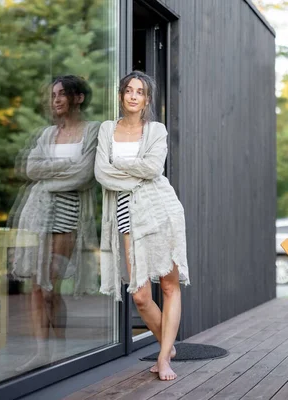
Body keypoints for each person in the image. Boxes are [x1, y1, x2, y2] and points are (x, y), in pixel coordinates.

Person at [94, 71, 190, 381]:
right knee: (140, 295)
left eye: (140, 92)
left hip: (161, 210)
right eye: (128, 90)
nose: (134, 96)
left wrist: (118, 165)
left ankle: (164, 356)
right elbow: (101, 174)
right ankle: (169, 345)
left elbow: (154, 168)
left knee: (169, 286)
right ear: (121, 95)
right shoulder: (107, 129)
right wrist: (133, 170)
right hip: (125, 213)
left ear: (147, 99)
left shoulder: (156, 130)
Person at [9, 75, 100, 370]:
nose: (56, 100)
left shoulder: (93, 131)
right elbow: (31, 168)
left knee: (52, 286)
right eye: (53, 96)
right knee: (37, 286)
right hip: (38, 214)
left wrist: (51, 173)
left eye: (61, 94)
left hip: (68, 214)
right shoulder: (48, 135)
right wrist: (62, 167)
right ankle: (41, 352)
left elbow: (84, 175)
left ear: (78, 98)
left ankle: (59, 350)